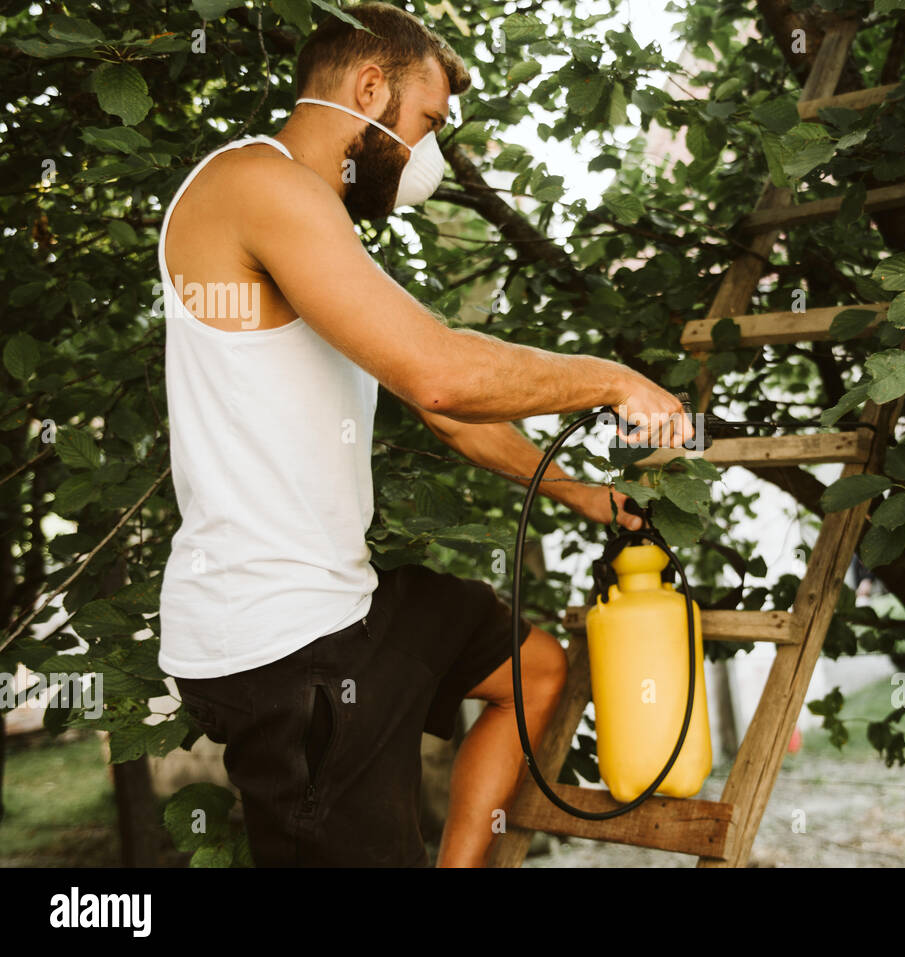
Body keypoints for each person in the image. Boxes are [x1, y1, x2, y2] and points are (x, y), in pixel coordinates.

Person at [156, 2, 692, 867]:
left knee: (535, 668)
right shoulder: (259, 186)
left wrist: (585, 495)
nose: (428, 153)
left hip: (347, 606)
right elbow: (442, 370)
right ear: (370, 88)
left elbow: (445, 411)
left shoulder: (314, 225)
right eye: (428, 122)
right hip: (284, 647)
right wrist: (612, 378)